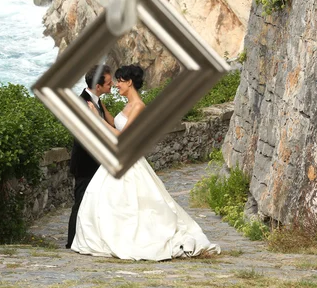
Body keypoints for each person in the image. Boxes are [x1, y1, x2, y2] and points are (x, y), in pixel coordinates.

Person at [71, 64, 220, 260]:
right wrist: (101, 109)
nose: (116, 85)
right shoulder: (127, 105)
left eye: (120, 81)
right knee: (108, 200)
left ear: (130, 82)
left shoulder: (139, 106)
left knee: (131, 203)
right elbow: (115, 124)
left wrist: (95, 119)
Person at [66, 64, 114, 249]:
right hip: (86, 163)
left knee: (94, 204)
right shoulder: (82, 103)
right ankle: (71, 242)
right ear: (98, 85)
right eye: (108, 83)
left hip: (96, 164)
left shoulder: (97, 101)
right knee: (80, 203)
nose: (111, 85)